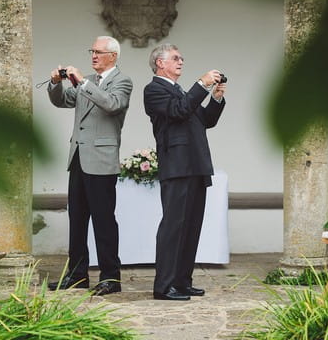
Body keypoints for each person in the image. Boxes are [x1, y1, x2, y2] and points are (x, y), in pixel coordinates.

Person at [46, 36, 133, 296]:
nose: (93, 55)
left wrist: (82, 82)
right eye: (91, 51)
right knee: (77, 219)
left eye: (98, 52)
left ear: (113, 56)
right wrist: (55, 83)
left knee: (104, 221)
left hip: (102, 161)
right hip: (78, 158)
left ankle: (110, 277)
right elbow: (62, 100)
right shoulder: (89, 83)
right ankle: (77, 275)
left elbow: (112, 104)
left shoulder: (122, 81)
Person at [143, 44, 226, 301]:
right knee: (173, 226)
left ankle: (181, 282)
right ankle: (163, 286)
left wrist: (216, 97)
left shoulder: (180, 90)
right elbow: (179, 111)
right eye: (175, 58)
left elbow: (205, 120)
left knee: (191, 226)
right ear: (160, 63)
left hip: (196, 163)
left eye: (182, 58)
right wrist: (201, 84)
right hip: (177, 165)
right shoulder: (154, 89)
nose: (181, 62)